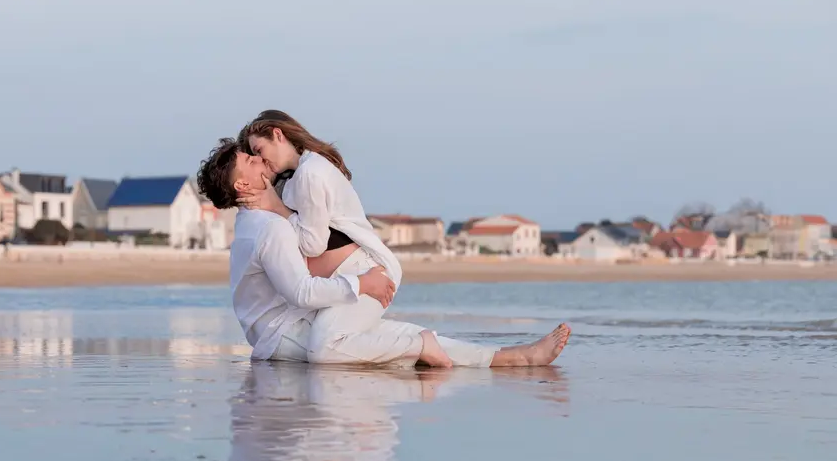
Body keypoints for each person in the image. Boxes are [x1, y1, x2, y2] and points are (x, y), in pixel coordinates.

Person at [196, 137, 572, 368]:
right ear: (243, 183)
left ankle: (512, 358)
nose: (260, 158)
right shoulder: (268, 228)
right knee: (361, 350)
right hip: (282, 336)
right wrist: (360, 284)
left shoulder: (253, 223)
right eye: (250, 160)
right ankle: (500, 356)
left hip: (284, 330)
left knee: (391, 347)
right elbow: (301, 292)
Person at [234, 112, 410, 365]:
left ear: (277, 134)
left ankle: (422, 343)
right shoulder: (295, 176)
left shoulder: (310, 173)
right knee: (342, 345)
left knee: (326, 349)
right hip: (344, 274)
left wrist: (276, 207)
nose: (261, 159)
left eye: (259, 150)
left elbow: (312, 244)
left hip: (369, 268)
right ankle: (451, 351)